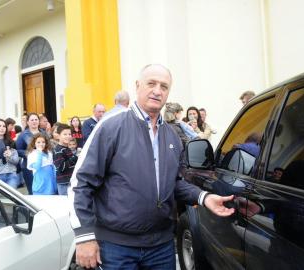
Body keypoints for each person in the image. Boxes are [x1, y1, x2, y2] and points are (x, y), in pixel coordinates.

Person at [69, 64, 235, 269]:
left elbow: (174, 183)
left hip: (162, 247)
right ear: (138, 86)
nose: (157, 91)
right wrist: (84, 237)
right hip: (117, 248)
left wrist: (205, 197)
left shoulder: (172, 136)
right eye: (151, 84)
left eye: (164, 86)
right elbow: (81, 182)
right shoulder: (111, 127)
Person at [16, 113, 44, 195]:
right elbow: (18, 150)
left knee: (43, 190)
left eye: (36, 119)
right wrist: (29, 154)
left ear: (39, 121)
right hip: (29, 167)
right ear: (28, 122)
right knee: (33, 191)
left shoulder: (43, 132)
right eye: (32, 120)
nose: (34, 121)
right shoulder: (23, 135)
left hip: (43, 165)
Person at [53, 124, 78, 195]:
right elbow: (61, 167)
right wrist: (75, 158)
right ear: (58, 136)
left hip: (70, 181)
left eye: (69, 134)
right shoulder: (58, 150)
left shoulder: (67, 148)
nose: (68, 136)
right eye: (65, 134)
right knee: (65, 204)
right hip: (64, 183)